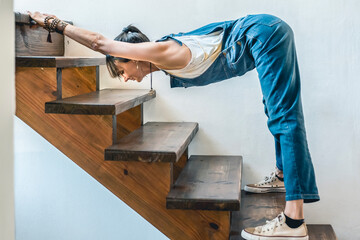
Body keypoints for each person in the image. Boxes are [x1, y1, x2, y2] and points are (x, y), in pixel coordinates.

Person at [28, 11, 320, 240]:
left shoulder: (162, 52)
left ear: (133, 56)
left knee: (285, 117)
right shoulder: (164, 56)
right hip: (264, 34)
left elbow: (98, 42)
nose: (125, 78)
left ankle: (294, 221)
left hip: (264, 35)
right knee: (275, 111)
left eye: (122, 70)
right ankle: (283, 175)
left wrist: (53, 22)